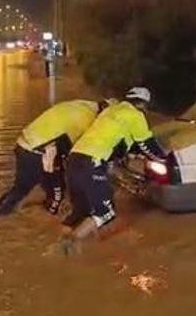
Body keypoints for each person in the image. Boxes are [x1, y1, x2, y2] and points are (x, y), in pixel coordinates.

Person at [63, 87, 166, 240]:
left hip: (73, 159)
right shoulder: (135, 115)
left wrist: (131, 153)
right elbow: (146, 144)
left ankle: (61, 239)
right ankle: (69, 245)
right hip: (92, 162)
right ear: (144, 104)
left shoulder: (110, 111)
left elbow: (113, 140)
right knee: (106, 213)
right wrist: (164, 159)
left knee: (80, 212)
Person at [0, 99, 113, 216]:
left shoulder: (83, 105)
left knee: (19, 189)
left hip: (24, 144)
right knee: (56, 193)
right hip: (38, 153)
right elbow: (79, 153)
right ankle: (49, 224)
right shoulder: (86, 120)